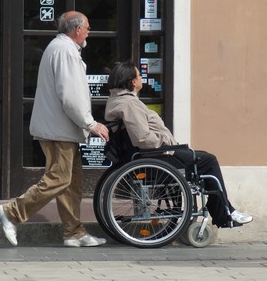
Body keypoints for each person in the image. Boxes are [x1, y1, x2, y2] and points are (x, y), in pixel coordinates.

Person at [0, 11, 109, 247]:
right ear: (76, 29)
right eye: (88, 27)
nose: (89, 31)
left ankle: (73, 232)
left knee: (71, 183)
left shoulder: (62, 48)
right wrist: (90, 123)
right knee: (59, 179)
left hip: (61, 128)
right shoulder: (65, 51)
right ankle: (12, 212)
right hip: (58, 129)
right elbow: (70, 96)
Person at [104, 61, 253, 228]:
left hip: (152, 155)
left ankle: (223, 208)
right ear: (132, 81)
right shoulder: (129, 104)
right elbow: (143, 139)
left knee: (202, 156)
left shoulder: (119, 100)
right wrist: (167, 142)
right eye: (139, 75)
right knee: (208, 161)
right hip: (155, 156)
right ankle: (224, 211)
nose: (141, 78)